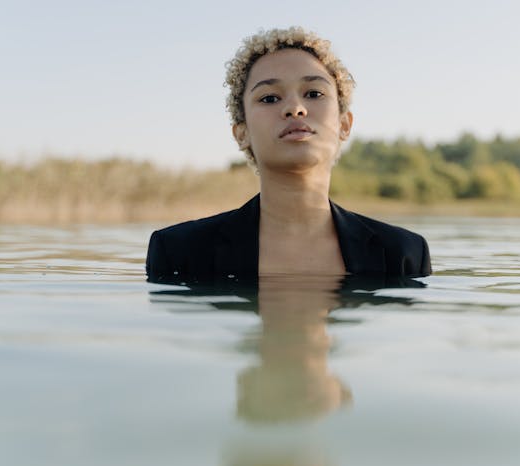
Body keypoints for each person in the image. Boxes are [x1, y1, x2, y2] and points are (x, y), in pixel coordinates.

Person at [146, 27, 431, 283]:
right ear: (241, 132)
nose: (295, 108)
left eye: (314, 94)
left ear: (344, 124)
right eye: (270, 98)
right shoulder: (178, 252)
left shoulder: (403, 254)